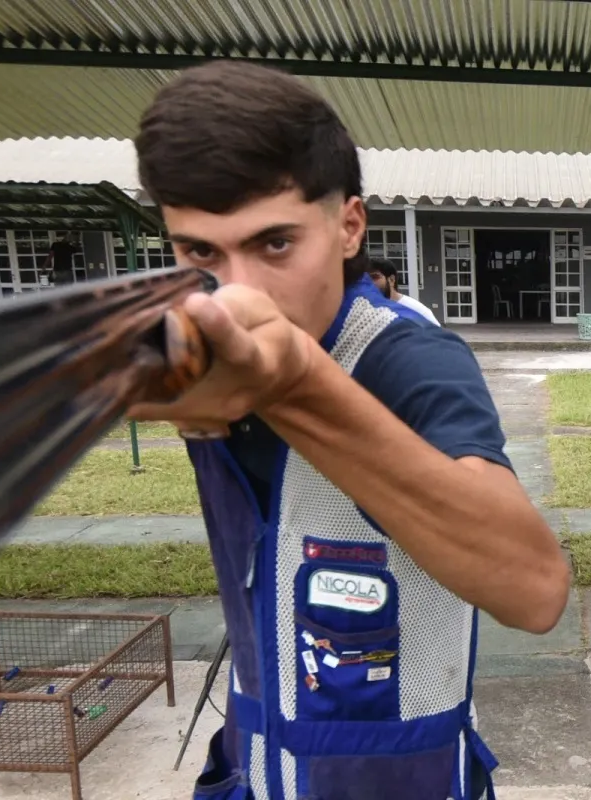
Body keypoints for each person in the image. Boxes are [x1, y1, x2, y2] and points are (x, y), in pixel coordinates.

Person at [124, 62, 568, 800]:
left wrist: (298, 387)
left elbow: (534, 591)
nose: (237, 294)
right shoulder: (199, 347)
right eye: (201, 253)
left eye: (274, 245)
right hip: (258, 766)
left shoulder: (409, 358)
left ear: (348, 225)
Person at [367, 256, 441, 326]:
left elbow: (439, 337)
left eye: (375, 277)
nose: (369, 282)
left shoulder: (415, 310)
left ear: (391, 280)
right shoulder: (366, 311)